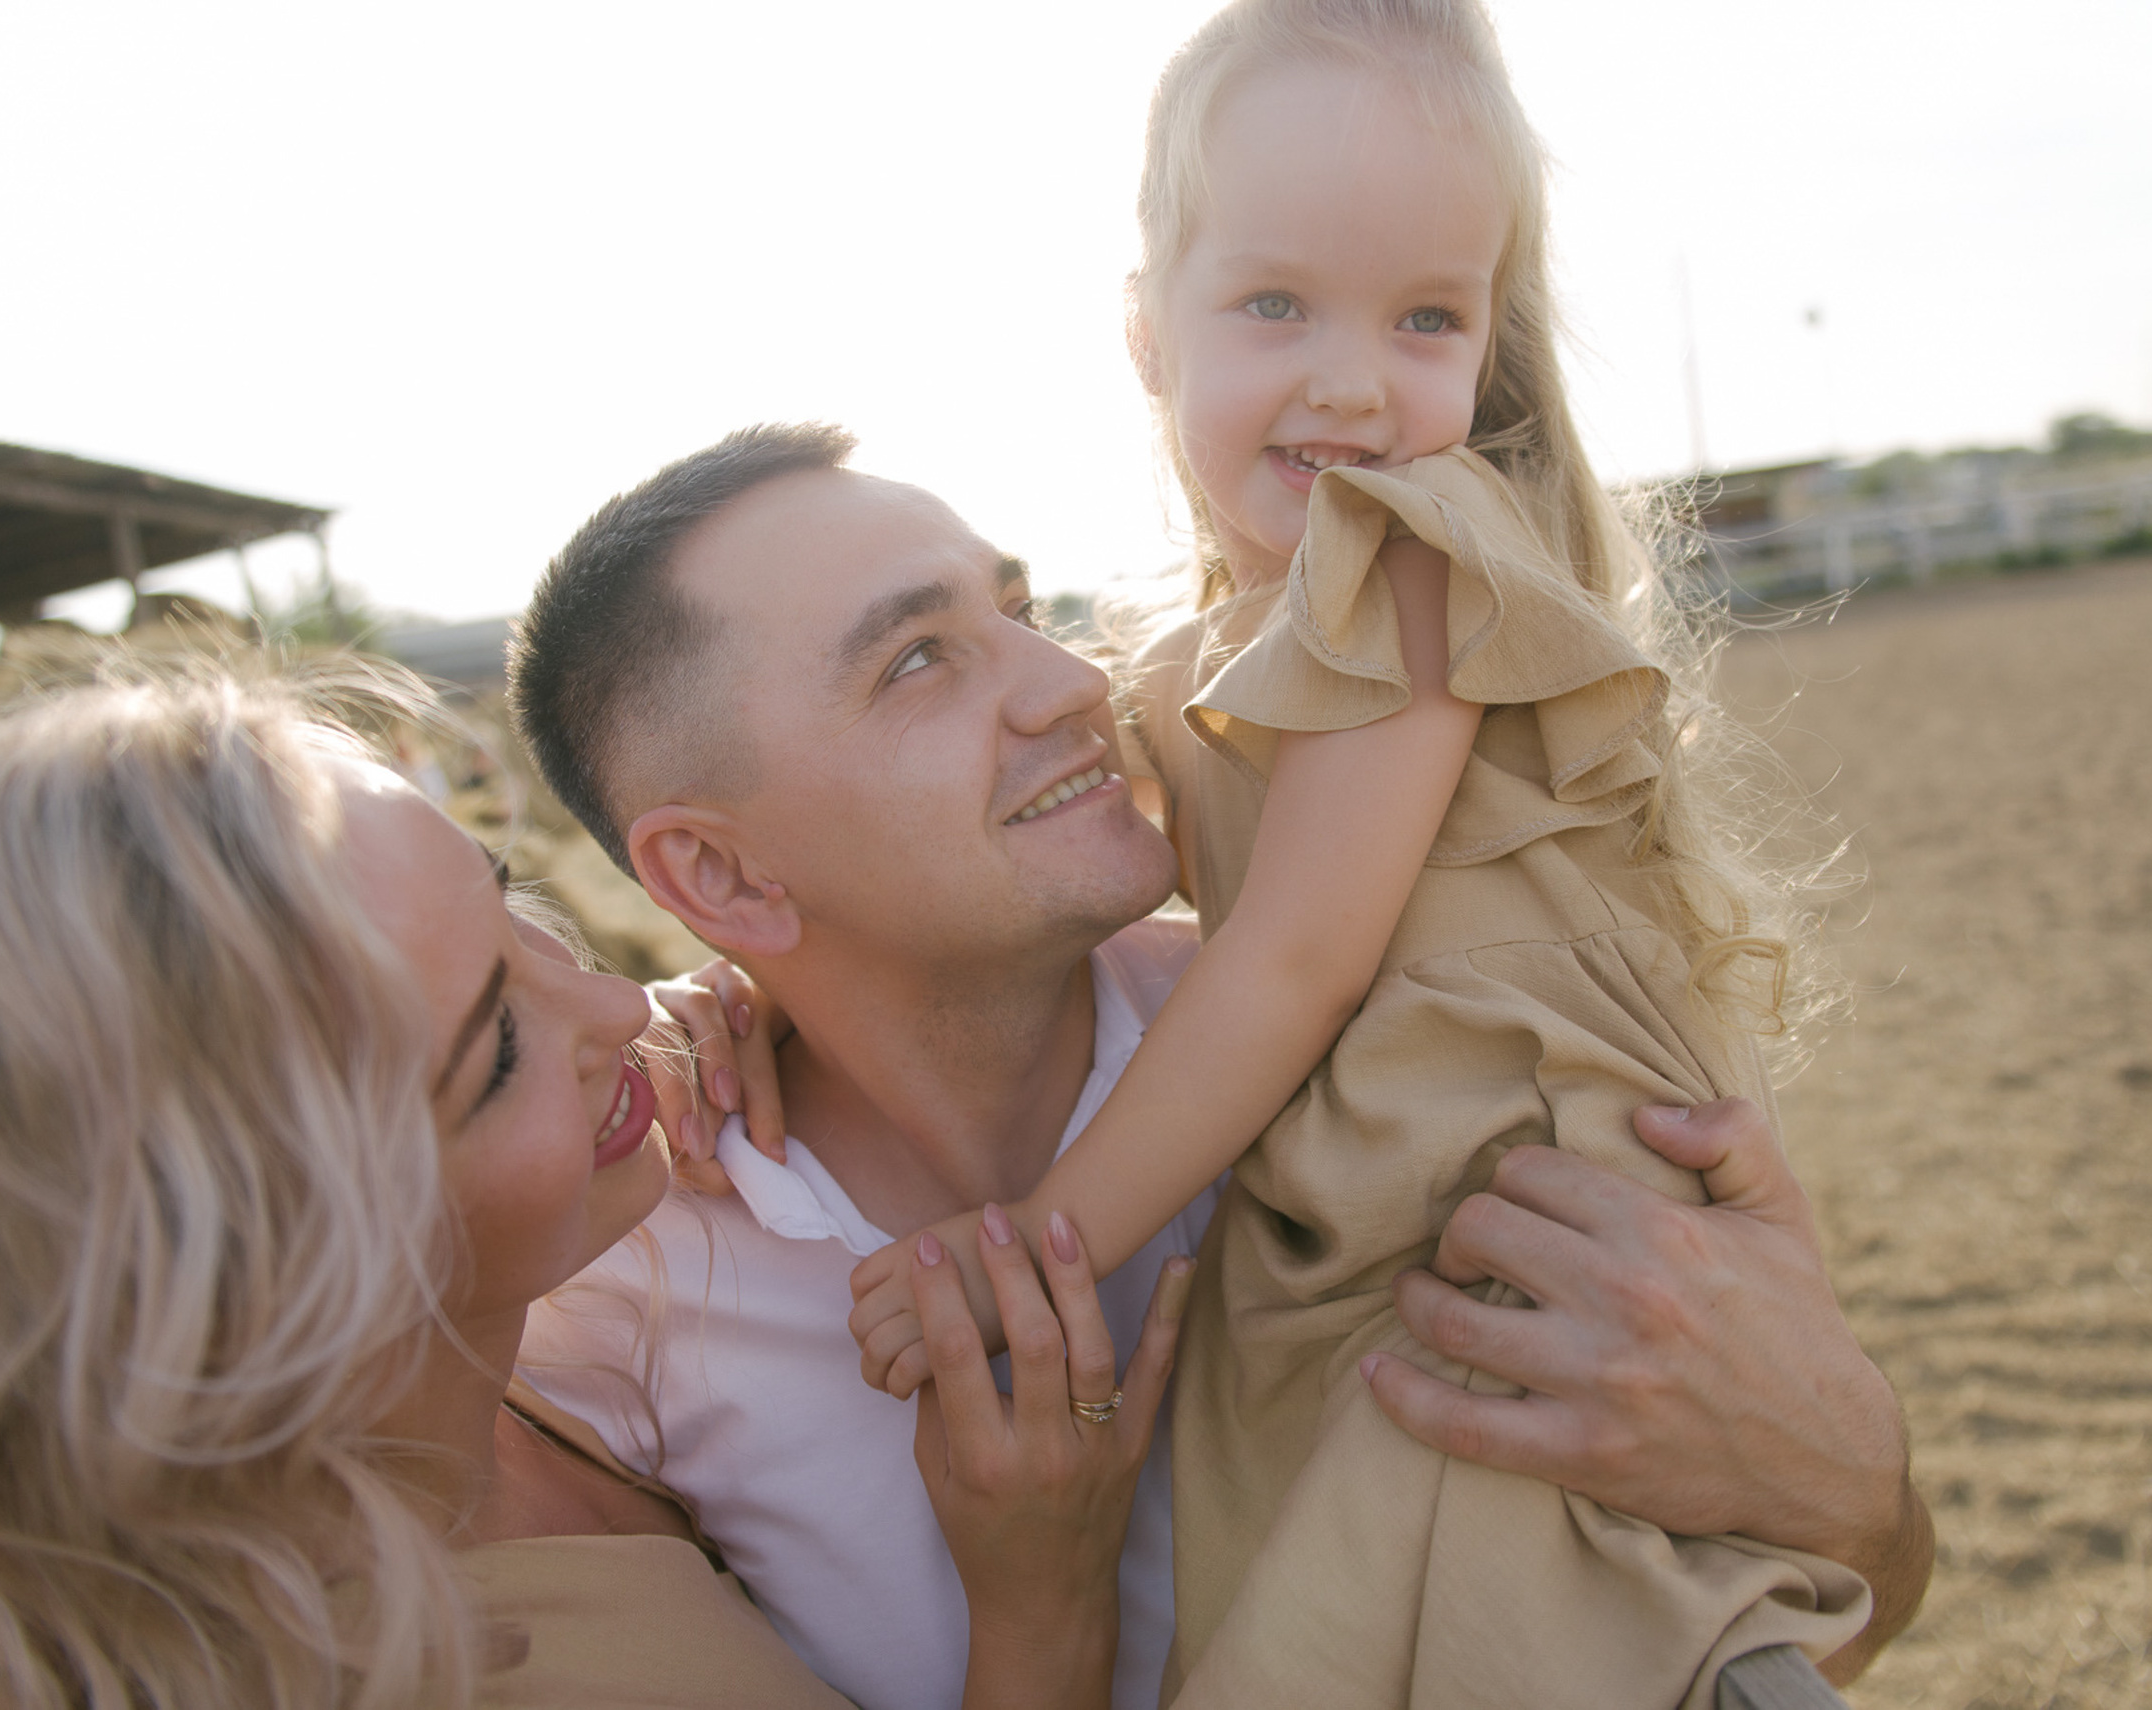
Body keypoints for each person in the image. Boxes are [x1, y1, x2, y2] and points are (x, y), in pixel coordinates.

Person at [507, 425, 1929, 1709]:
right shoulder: (618, 1297)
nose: (1070, 684)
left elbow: (1810, 1627)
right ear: (721, 871)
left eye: (1019, 609)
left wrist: (1851, 1482)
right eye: (920, 660)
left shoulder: (1386, 1047)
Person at [837, 2, 1880, 1704]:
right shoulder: (1217, 637)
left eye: (1423, 316)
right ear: (1143, 335)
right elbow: (1056, 862)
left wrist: (1031, 1240)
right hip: (1387, 1175)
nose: (1349, 375)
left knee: (1523, 1575)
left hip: (1507, 1167)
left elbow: (1295, 959)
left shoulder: (1412, 546)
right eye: (1273, 303)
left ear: (1489, 338)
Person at [0, 664, 1182, 1710]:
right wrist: (1044, 1627)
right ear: (269, 1261)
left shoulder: (494, 1371)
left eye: (511, 906)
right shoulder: (370, 1665)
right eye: (496, 1049)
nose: (616, 995)